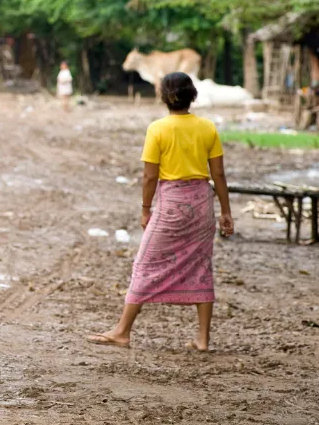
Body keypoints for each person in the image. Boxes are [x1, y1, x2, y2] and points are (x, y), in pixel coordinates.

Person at [88, 72, 233, 351]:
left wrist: (145, 209)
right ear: (192, 95)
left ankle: (122, 331)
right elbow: (219, 174)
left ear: (164, 96)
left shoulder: (158, 129)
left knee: (145, 264)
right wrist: (226, 211)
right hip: (203, 204)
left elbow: (149, 177)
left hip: (172, 205)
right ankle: (203, 339)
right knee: (202, 265)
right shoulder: (208, 128)